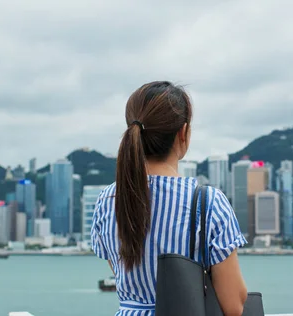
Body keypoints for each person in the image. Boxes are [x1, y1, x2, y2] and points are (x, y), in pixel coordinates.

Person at [91, 81, 248, 316]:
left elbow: (124, 273)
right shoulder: (208, 203)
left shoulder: (107, 200)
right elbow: (234, 306)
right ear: (183, 133)